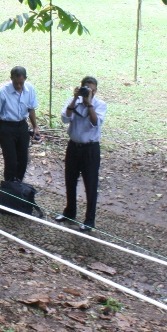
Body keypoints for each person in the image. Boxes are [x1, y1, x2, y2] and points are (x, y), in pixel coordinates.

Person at [56, 76, 106, 231]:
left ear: (95, 90)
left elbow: (95, 122)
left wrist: (88, 103)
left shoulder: (100, 105)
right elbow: (65, 118)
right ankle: (69, 212)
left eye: (91, 89)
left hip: (90, 149)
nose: (87, 91)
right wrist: (75, 99)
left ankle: (89, 220)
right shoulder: (74, 101)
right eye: (85, 88)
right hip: (73, 147)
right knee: (70, 181)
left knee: (90, 184)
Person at [0, 66, 39, 182]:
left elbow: (31, 109)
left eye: (21, 83)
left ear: (25, 79)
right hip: (7, 128)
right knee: (11, 161)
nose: (18, 86)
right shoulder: (2, 92)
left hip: (22, 126)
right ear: (11, 78)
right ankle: (8, 185)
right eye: (16, 83)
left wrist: (35, 126)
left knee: (23, 159)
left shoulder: (30, 90)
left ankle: (18, 183)